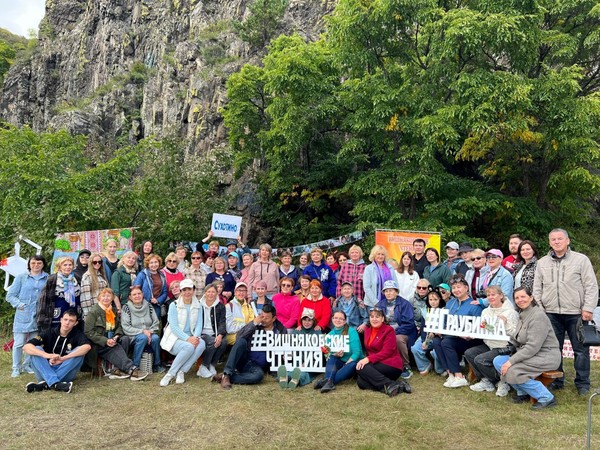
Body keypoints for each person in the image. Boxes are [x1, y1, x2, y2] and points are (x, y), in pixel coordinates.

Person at [533, 228, 598, 395]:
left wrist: (588, 308)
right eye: (553, 239)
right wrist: (540, 310)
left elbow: (591, 285)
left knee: (581, 349)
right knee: (554, 349)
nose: (556, 242)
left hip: (576, 312)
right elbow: (537, 289)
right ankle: (557, 380)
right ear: (549, 242)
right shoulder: (542, 263)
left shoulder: (581, 260)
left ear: (568, 241)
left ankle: (582, 384)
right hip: (551, 313)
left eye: (560, 239)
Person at [493, 287, 562, 408]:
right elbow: (518, 338)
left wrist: (511, 361)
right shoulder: (523, 314)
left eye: (523, 296)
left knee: (513, 370)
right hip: (531, 354)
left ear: (531, 298)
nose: (520, 300)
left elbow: (532, 346)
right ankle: (523, 392)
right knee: (498, 361)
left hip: (545, 356)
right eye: (517, 298)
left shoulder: (538, 316)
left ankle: (546, 397)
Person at [84, 288, 149, 381]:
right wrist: (105, 340)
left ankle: (117, 370)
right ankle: (131, 369)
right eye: (103, 296)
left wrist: (117, 335)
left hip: (112, 338)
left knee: (125, 339)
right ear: (99, 298)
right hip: (99, 343)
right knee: (114, 347)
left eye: (108, 296)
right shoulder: (93, 312)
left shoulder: (113, 310)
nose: (106, 298)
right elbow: (88, 332)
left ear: (112, 298)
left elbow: (119, 326)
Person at [466, 285, 519, 397]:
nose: (490, 297)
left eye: (493, 294)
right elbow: (487, 328)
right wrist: (474, 333)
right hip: (489, 343)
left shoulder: (510, 312)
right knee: (469, 353)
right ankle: (487, 381)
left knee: (480, 359)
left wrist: (504, 325)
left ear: (500, 295)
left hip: (504, 346)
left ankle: (503, 381)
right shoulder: (485, 311)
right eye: (488, 295)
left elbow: (515, 334)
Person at [217, 304, 287, 389]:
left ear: (274, 319)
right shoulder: (256, 325)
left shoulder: (280, 330)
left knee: (258, 376)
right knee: (241, 341)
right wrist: (254, 323)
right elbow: (239, 336)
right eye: (262, 316)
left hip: (257, 366)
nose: (263, 320)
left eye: (267, 318)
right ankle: (227, 373)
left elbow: (283, 348)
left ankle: (225, 377)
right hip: (245, 359)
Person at [432, 275, 483, 388]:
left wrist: (469, 334)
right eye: (454, 288)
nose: (456, 290)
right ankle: (451, 373)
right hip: (452, 336)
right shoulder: (450, 303)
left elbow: (478, 328)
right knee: (436, 341)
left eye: (459, 287)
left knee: (446, 342)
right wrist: (439, 329)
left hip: (469, 339)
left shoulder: (474, 305)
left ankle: (459, 376)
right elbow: (445, 321)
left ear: (466, 288)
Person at [23, 309, 91, 393]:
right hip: (44, 371)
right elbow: (26, 347)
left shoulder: (78, 334)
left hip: (65, 373)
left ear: (75, 323)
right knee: (36, 349)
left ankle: (46, 384)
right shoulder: (49, 332)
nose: (67, 323)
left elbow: (87, 347)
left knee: (79, 352)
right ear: (61, 320)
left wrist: (64, 358)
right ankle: (55, 383)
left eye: (71, 321)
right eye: (65, 320)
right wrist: (46, 355)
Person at [7, 255, 48, 377]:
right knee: (19, 343)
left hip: (39, 315)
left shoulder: (47, 278)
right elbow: (10, 295)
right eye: (33, 263)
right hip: (23, 314)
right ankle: (16, 367)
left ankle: (27, 365)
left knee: (33, 343)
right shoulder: (21, 278)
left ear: (43, 264)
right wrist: (20, 305)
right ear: (29, 264)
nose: (36, 265)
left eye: (39, 263)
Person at [159, 279, 206, 386]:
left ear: (193, 290)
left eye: (189, 289)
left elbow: (199, 324)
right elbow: (174, 327)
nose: (187, 292)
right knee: (188, 347)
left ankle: (182, 371)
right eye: (184, 290)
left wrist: (195, 337)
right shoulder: (173, 305)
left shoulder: (199, 305)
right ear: (180, 291)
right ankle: (170, 374)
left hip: (191, 337)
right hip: (175, 339)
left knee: (201, 344)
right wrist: (188, 339)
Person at [356, 307, 411, 397]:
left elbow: (387, 352)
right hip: (377, 364)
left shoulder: (389, 330)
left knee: (362, 368)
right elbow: (369, 350)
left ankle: (389, 385)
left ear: (382, 318)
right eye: (372, 316)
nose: (374, 319)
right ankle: (397, 385)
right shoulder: (367, 330)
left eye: (377, 317)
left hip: (391, 365)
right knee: (360, 382)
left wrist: (367, 359)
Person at [315, 311, 364, 393]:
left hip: (353, 362)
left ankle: (328, 381)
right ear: (332, 319)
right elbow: (328, 354)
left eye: (341, 319)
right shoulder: (330, 335)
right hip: (340, 362)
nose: (338, 320)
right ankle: (329, 382)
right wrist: (335, 354)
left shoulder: (351, 332)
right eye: (336, 318)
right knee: (332, 357)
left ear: (345, 321)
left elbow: (357, 352)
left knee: (352, 364)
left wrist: (346, 364)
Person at [378, 280, 417, 379]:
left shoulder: (404, 304)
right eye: (386, 291)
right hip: (385, 331)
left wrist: (393, 332)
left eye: (391, 290)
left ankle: (406, 366)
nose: (388, 293)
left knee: (397, 339)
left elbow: (409, 323)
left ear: (396, 292)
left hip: (403, 332)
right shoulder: (380, 304)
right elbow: (376, 320)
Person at [121, 285, 164, 374]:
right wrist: (142, 332)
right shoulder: (126, 307)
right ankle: (135, 366)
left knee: (155, 338)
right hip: (133, 336)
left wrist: (150, 332)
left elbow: (156, 322)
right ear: (130, 297)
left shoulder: (148, 305)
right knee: (142, 338)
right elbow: (126, 327)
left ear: (143, 294)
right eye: (134, 294)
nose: (137, 296)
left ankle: (157, 365)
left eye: (139, 293)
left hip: (149, 333)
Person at [278, 308, 321, 389]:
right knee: (295, 369)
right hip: (298, 360)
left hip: (312, 360)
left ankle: (296, 381)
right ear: (301, 320)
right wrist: (287, 353)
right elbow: (291, 346)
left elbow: (319, 351)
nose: (307, 322)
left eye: (309, 320)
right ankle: (287, 378)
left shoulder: (317, 331)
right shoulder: (297, 331)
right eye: (304, 320)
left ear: (313, 321)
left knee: (303, 372)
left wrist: (307, 361)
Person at [37, 256, 82, 332]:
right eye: (65, 265)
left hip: (74, 313)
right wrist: (43, 318)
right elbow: (44, 299)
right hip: (57, 315)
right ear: (59, 267)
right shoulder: (52, 279)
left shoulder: (77, 278)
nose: (68, 267)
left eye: (70, 265)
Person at [411, 290, 445, 375]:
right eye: (431, 300)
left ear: (440, 299)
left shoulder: (444, 311)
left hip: (440, 338)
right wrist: (424, 341)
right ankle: (425, 365)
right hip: (427, 337)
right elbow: (423, 328)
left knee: (436, 352)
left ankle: (440, 369)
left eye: (435, 299)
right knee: (415, 348)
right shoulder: (425, 311)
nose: (433, 302)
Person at [196, 283, 227, 378]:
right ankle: (203, 366)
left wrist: (220, 335)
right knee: (212, 342)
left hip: (215, 333)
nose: (211, 294)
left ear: (217, 293)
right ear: (205, 293)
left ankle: (212, 364)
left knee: (224, 342)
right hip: (202, 333)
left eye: (213, 292)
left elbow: (222, 322)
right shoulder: (198, 305)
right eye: (208, 292)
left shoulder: (220, 306)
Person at [133, 253, 168, 320]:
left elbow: (165, 292)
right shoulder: (142, 274)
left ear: (159, 263)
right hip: (143, 304)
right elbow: (135, 289)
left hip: (156, 305)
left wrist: (158, 300)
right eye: (151, 263)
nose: (154, 265)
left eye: (156, 262)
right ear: (148, 264)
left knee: (154, 327)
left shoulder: (162, 275)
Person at [79, 252, 110, 321]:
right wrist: (88, 315)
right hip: (93, 312)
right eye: (95, 262)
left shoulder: (101, 275)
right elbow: (85, 298)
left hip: (103, 309)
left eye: (99, 262)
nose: (97, 264)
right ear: (90, 263)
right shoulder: (87, 276)